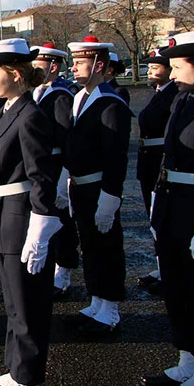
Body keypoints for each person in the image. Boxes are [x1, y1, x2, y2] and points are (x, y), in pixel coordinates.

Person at [0, 38, 61, 386]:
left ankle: (29, 383)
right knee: (13, 301)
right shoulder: (8, 108)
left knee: (28, 305)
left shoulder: (31, 115)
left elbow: (42, 176)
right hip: (4, 213)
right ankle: (14, 369)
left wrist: (41, 225)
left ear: (14, 73)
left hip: (23, 218)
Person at [143, 29, 194, 386]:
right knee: (178, 287)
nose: (172, 72)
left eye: (179, 66)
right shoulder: (185, 99)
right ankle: (189, 358)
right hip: (173, 201)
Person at [63, 36, 131, 335]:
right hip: (81, 186)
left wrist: (111, 197)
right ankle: (96, 301)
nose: (74, 67)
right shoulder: (81, 97)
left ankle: (111, 310)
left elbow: (115, 156)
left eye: (80, 63)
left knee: (107, 247)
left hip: (99, 187)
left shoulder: (110, 102)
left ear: (99, 65)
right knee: (90, 245)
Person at [30, 43, 78, 298]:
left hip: (57, 164)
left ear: (54, 67)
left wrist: (64, 176)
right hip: (42, 164)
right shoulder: (38, 92)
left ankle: (64, 269)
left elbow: (65, 138)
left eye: (39, 67)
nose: (34, 71)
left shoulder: (60, 96)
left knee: (62, 220)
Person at [136, 47, 180, 294]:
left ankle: (169, 269)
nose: (150, 71)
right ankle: (162, 265)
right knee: (154, 217)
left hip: (159, 161)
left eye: (156, 67)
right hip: (148, 160)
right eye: (149, 67)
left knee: (163, 218)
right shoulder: (160, 92)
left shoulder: (173, 94)